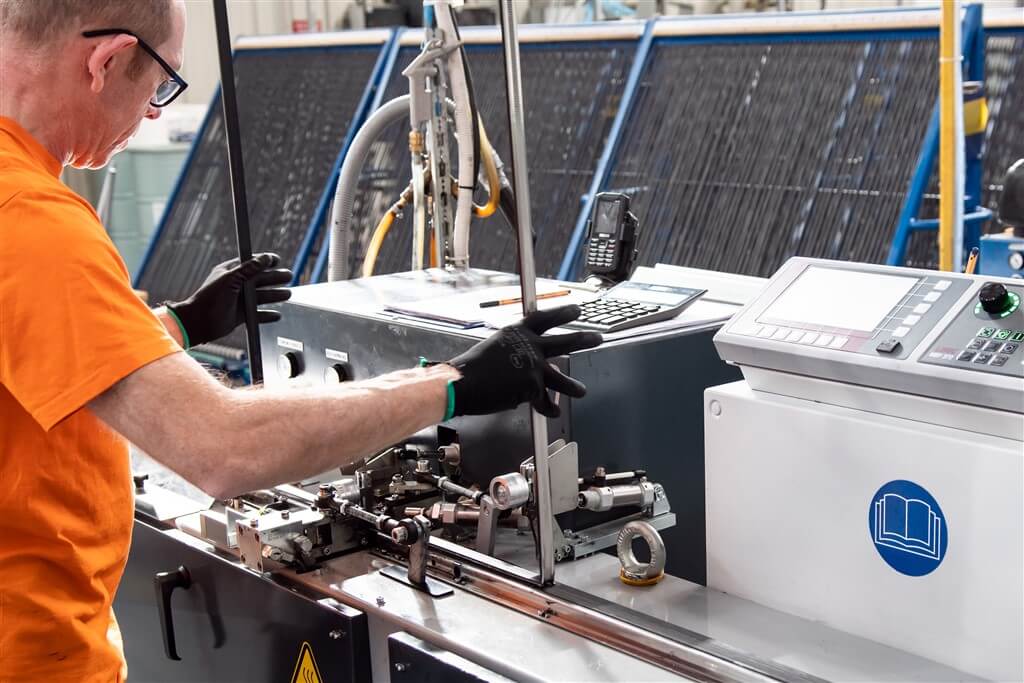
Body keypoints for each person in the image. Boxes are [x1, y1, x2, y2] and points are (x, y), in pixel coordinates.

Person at [0, 1, 601, 680]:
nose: (155, 113)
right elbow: (222, 446)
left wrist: (180, 326)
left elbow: (35, 352)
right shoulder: (32, 222)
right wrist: (452, 383)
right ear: (106, 61)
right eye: (161, 83)